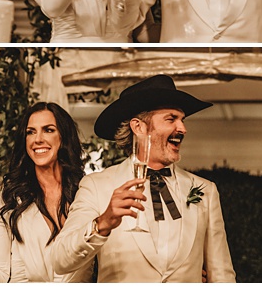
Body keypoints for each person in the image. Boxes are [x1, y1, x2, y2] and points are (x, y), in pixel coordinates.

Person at [52, 75, 236, 282]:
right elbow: (60, 260)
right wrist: (102, 223)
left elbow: (221, 274)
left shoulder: (205, 190)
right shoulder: (97, 186)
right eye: (171, 118)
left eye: (182, 120)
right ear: (139, 127)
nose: (183, 128)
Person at [0, 102, 92, 282]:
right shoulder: (5, 197)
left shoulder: (87, 192)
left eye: (48, 130)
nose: (37, 139)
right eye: (30, 132)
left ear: (64, 137)